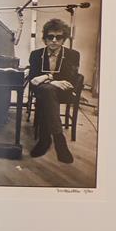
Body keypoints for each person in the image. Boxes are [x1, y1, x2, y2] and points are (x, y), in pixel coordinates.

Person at [26, 19, 83, 162]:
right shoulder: (36, 54)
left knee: (46, 94)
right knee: (47, 92)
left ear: (64, 39)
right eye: (50, 37)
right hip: (44, 90)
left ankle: (45, 140)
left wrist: (45, 77)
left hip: (63, 91)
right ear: (45, 39)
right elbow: (33, 78)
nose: (54, 40)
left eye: (58, 37)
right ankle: (59, 141)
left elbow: (69, 78)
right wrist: (52, 79)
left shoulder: (73, 54)